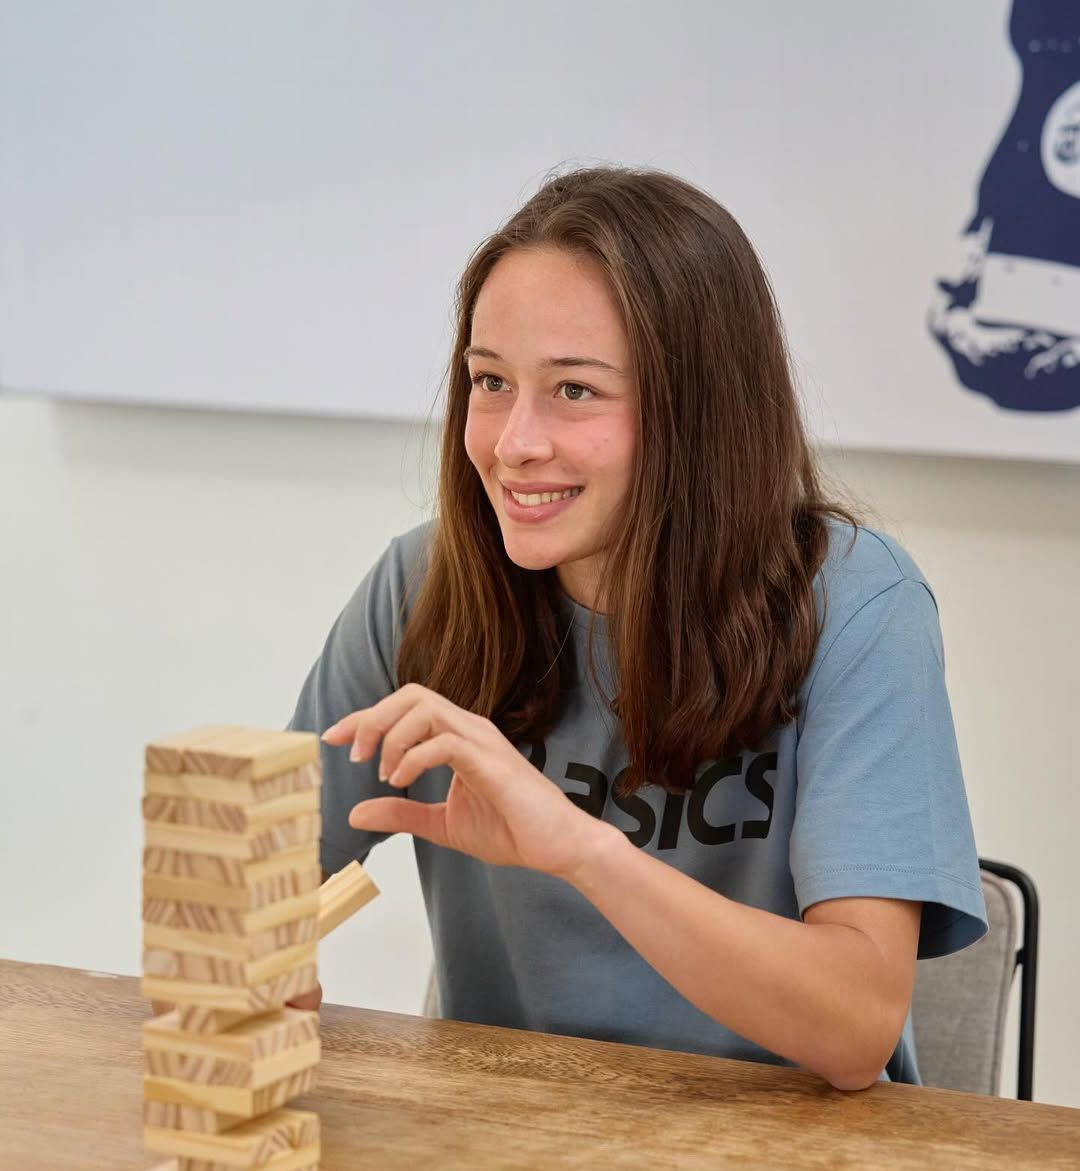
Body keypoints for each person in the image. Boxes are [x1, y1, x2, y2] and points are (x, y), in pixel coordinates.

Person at [287, 164, 988, 1090]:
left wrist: (580, 848)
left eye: (575, 391)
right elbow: (255, 877)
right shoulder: (424, 586)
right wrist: (256, 953)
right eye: (490, 381)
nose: (512, 441)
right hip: (499, 1167)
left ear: (699, 409)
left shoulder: (857, 606)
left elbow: (856, 1027)